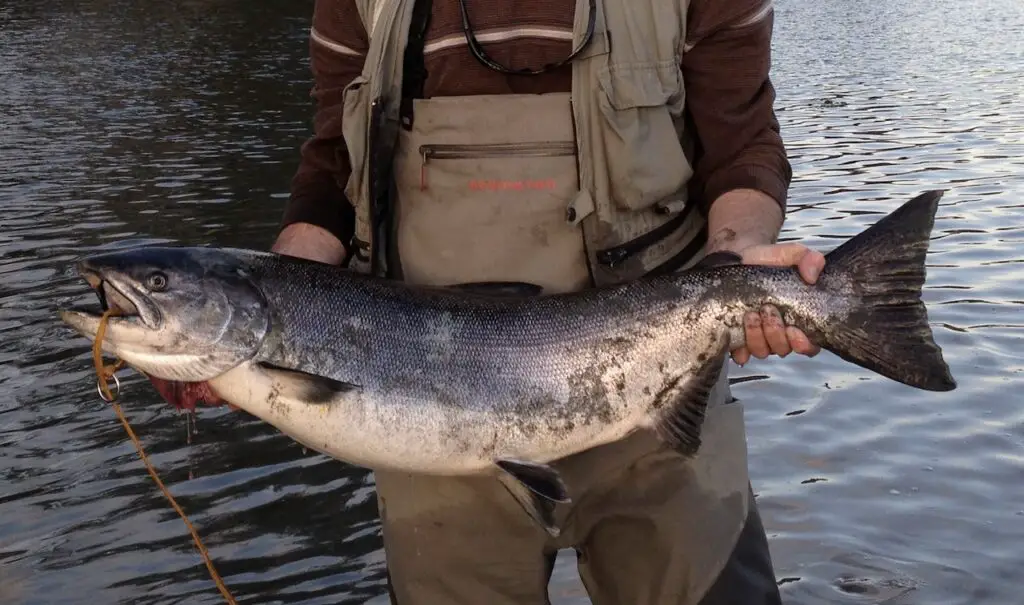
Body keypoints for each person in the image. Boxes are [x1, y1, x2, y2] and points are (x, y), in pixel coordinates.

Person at [275, 0, 823, 603]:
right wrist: (260, 326)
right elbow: (334, 163)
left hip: (662, 403)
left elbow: (742, 146)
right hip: (420, 420)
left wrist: (737, 257)